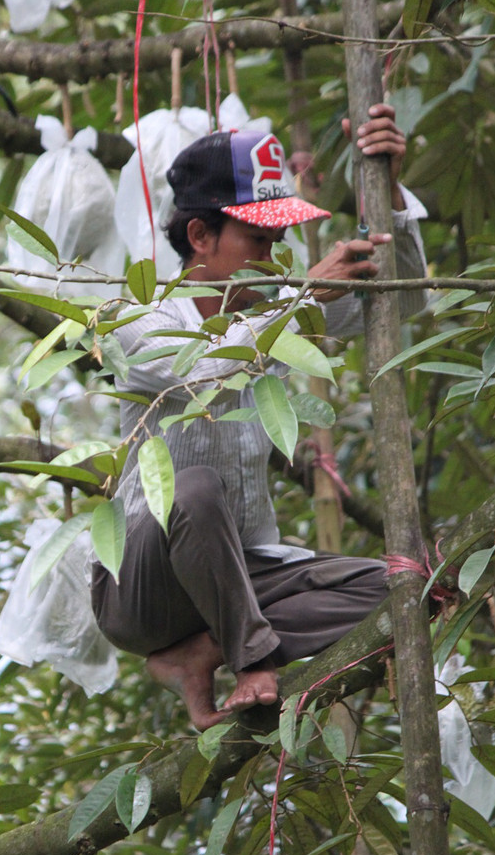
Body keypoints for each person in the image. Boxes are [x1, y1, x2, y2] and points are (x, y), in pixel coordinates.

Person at [90, 104, 428, 731]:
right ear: (199, 237)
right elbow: (204, 370)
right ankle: (253, 660)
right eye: (257, 241)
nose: (274, 260)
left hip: (241, 579)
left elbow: (402, 303)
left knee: (413, 589)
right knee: (191, 490)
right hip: (143, 591)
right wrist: (299, 303)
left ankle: (205, 653)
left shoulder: (278, 315)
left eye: (278, 244)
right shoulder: (136, 320)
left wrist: (389, 193)